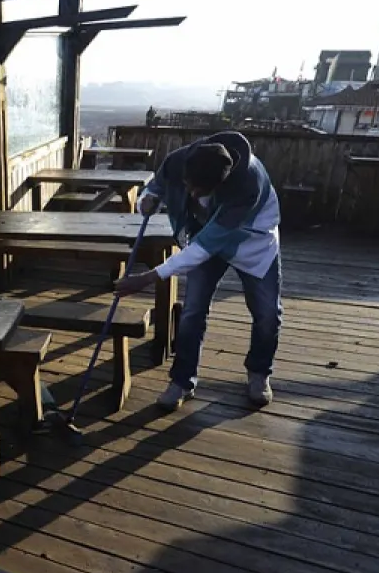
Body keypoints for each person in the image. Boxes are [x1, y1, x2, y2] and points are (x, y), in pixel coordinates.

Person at [115, 131, 282, 410]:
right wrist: (148, 197)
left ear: (220, 183)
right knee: (193, 311)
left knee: (266, 313)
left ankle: (259, 373)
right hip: (203, 234)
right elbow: (157, 185)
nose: (190, 194)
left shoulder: (247, 185)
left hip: (252, 243)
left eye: (198, 190)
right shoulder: (180, 161)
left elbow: (204, 248)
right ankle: (182, 380)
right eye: (187, 186)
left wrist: (148, 277)